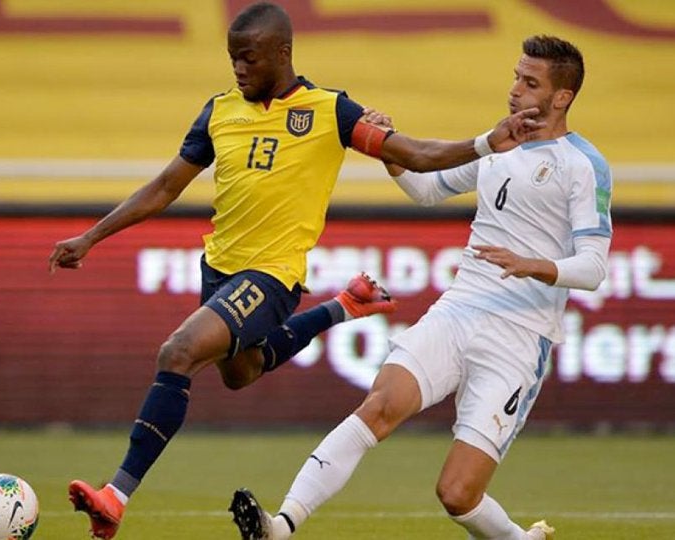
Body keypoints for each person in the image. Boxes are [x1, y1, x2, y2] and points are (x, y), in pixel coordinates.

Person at [48, 3, 544, 538]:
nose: (238, 69)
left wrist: (486, 143)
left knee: (178, 352)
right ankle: (342, 306)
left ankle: (115, 496)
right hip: (218, 269)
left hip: (271, 277)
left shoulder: (330, 111)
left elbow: (416, 154)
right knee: (242, 372)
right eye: (233, 58)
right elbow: (166, 186)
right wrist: (92, 235)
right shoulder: (218, 112)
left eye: (249, 58)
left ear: (282, 53)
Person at [230, 34, 611, 540]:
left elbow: (593, 267)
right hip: (459, 309)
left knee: (457, 494)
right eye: (516, 77)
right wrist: (392, 153)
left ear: (562, 97)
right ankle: (282, 525)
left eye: (530, 82)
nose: (516, 89)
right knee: (379, 406)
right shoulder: (499, 144)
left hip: (520, 335)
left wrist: (533, 264)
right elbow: (429, 190)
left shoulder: (583, 164)